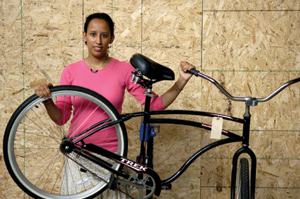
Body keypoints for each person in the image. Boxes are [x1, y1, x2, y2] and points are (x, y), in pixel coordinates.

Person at [35, 12, 195, 198]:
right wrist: (47, 101)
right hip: (79, 157)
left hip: (113, 157)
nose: (98, 40)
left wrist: (182, 81)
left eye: (104, 35)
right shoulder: (71, 71)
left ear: (112, 38)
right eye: (93, 34)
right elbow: (61, 118)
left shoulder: (123, 69)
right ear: (84, 36)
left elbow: (155, 105)